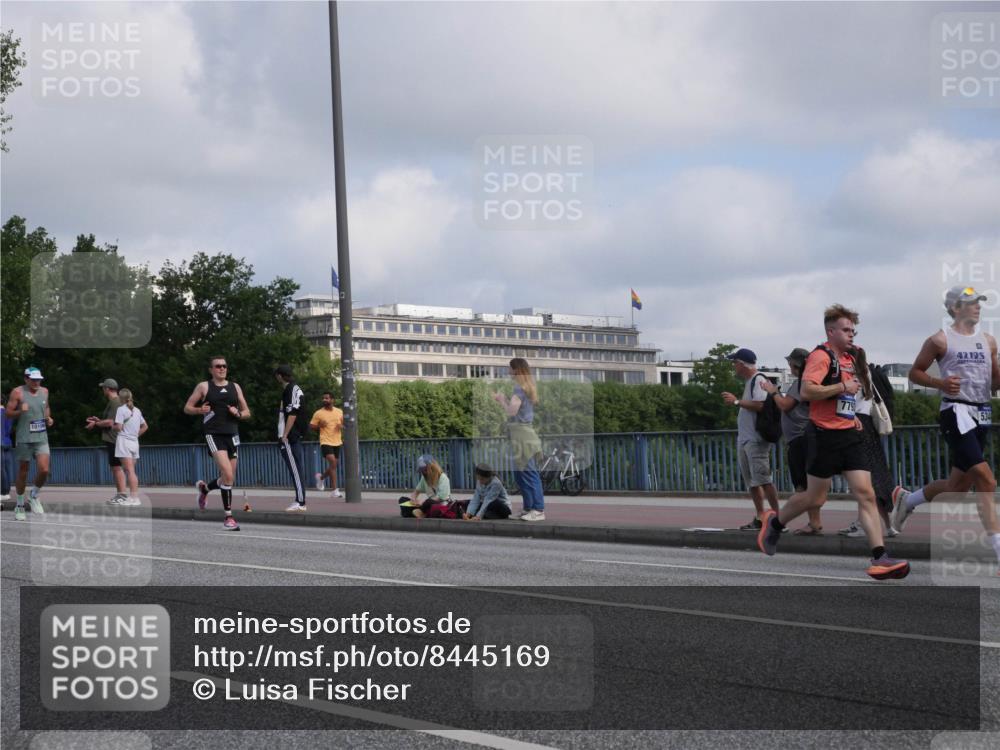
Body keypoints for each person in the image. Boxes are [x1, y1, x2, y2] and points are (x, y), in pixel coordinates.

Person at [757, 304, 910, 580]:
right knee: (815, 497)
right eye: (846, 330)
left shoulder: (851, 359)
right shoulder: (820, 356)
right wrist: (842, 387)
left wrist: (852, 416)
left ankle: (880, 557)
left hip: (850, 434)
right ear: (831, 331)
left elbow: (848, 396)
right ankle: (775, 524)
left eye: (853, 330)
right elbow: (807, 391)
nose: (851, 334)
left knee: (866, 493)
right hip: (824, 436)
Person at [892, 286, 1000, 570]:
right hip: (955, 412)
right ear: (955, 308)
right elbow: (915, 371)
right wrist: (940, 383)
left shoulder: (989, 341)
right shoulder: (940, 340)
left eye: (979, 302)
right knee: (987, 481)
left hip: (981, 413)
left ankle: (907, 499)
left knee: (957, 488)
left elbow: (995, 384)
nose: (977, 307)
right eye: (971, 303)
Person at [836, 346, 898, 538]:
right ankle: (888, 526)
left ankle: (864, 524)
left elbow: (845, 403)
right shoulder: (868, 375)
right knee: (877, 474)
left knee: (861, 480)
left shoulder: (849, 376)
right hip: (869, 426)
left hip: (854, 425)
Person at [184, 355, 251, 531]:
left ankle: (205, 489)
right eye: (218, 366)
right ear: (211, 370)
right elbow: (187, 408)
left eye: (224, 366)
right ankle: (228, 518)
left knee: (229, 478)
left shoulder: (235, 387)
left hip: (232, 435)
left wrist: (238, 413)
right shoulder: (204, 386)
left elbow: (247, 412)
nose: (222, 368)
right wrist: (200, 410)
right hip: (214, 434)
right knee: (227, 474)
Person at [762, 348, 819, 535]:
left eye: (791, 364)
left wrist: (773, 392)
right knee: (808, 483)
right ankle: (814, 522)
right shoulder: (810, 382)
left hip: (799, 438)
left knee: (802, 485)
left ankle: (811, 523)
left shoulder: (801, 383)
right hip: (806, 437)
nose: (790, 367)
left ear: (796, 365)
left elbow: (785, 406)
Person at [721, 348, 779, 530]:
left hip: (756, 439)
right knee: (752, 482)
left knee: (763, 479)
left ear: (742, 364)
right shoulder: (749, 382)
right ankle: (760, 517)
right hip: (746, 439)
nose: (733, 366)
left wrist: (736, 401)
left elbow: (760, 405)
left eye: (735, 363)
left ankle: (778, 519)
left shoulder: (758, 379)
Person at [493, 358, 545, 521]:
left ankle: (538, 510)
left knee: (528, 473)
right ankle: (528, 508)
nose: (508, 370)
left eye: (510, 367)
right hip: (522, 434)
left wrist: (502, 400)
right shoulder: (525, 387)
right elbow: (515, 410)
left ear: (516, 369)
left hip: (523, 435)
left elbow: (511, 412)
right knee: (520, 474)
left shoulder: (519, 388)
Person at [4, 367, 52, 521]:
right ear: (26, 379)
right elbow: (7, 413)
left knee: (44, 470)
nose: (37, 382)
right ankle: (19, 505)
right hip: (24, 437)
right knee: (23, 471)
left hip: (41, 437)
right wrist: (20, 411)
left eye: (39, 379)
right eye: (33, 379)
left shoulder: (44, 391)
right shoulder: (17, 392)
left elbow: (46, 408)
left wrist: (49, 418)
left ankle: (33, 495)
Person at [85, 378, 127, 504]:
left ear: (107, 389)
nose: (103, 390)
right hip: (116, 438)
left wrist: (96, 424)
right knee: (116, 467)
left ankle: (122, 495)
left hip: (115, 439)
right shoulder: (116, 402)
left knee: (116, 467)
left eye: (103, 388)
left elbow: (110, 422)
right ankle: (121, 494)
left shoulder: (115, 402)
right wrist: (98, 421)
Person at [275, 364, 308, 512]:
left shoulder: (290, 390)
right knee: (296, 468)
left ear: (280, 376)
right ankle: (300, 500)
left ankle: (300, 501)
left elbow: (292, 414)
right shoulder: (293, 389)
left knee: (295, 469)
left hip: (290, 436)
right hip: (292, 435)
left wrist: (285, 435)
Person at [111, 388, 147, 506]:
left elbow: (119, 427)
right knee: (131, 471)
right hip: (134, 443)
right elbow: (145, 426)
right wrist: (134, 435)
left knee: (129, 471)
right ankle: (133, 497)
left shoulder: (121, 410)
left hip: (124, 442)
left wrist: (113, 426)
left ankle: (134, 498)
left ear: (121, 398)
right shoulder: (137, 410)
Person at [310, 391, 344, 498]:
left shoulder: (339, 411)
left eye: (327, 398)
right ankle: (335, 490)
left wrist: (341, 426)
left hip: (337, 441)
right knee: (333, 462)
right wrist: (319, 425)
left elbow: (343, 423)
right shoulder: (318, 413)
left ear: (332, 400)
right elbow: (311, 426)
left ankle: (321, 478)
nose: (325, 400)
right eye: (323, 398)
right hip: (325, 441)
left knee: (334, 465)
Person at [410, 454, 451, 518]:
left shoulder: (443, 478)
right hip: (427, 504)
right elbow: (416, 491)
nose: (423, 473)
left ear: (432, 467)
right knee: (402, 500)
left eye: (425, 470)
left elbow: (440, 498)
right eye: (422, 471)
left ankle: (423, 513)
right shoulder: (424, 478)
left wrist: (423, 502)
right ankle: (421, 512)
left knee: (429, 503)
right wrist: (413, 498)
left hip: (440, 504)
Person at [1, 395, 12, 503]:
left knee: (1, 468)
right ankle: (7, 491)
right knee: (7, 468)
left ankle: (3, 492)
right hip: (8, 442)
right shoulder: (8, 413)